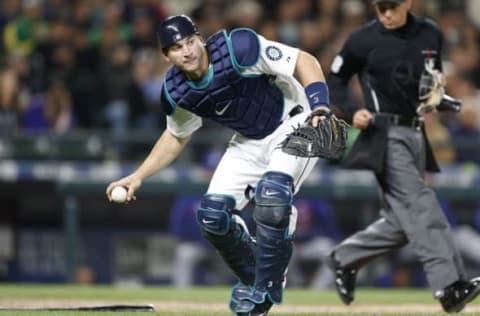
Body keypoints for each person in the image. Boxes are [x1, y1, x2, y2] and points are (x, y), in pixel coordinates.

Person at [106, 14, 333, 316]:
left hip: (296, 119)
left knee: (273, 198)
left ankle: (266, 285)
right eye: (176, 47)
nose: (186, 51)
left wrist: (320, 104)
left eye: (189, 41)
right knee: (212, 217)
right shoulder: (176, 92)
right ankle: (257, 278)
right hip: (250, 139)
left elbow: (304, 60)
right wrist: (138, 176)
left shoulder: (238, 47)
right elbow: (176, 136)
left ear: (199, 38)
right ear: (166, 55)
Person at [325, 0, 480, 313]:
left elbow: (430, 83)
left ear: (409, 2)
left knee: (401, 221)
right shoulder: (362, 39)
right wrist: (353, 111)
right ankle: (449, 287)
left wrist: (440, 99)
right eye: (380, 7)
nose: (386, 13)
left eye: (392, 6)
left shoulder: (430, 34)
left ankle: (344, 257)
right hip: (383, 132)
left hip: (416, 132)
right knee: (422, 206)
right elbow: (336, 79)